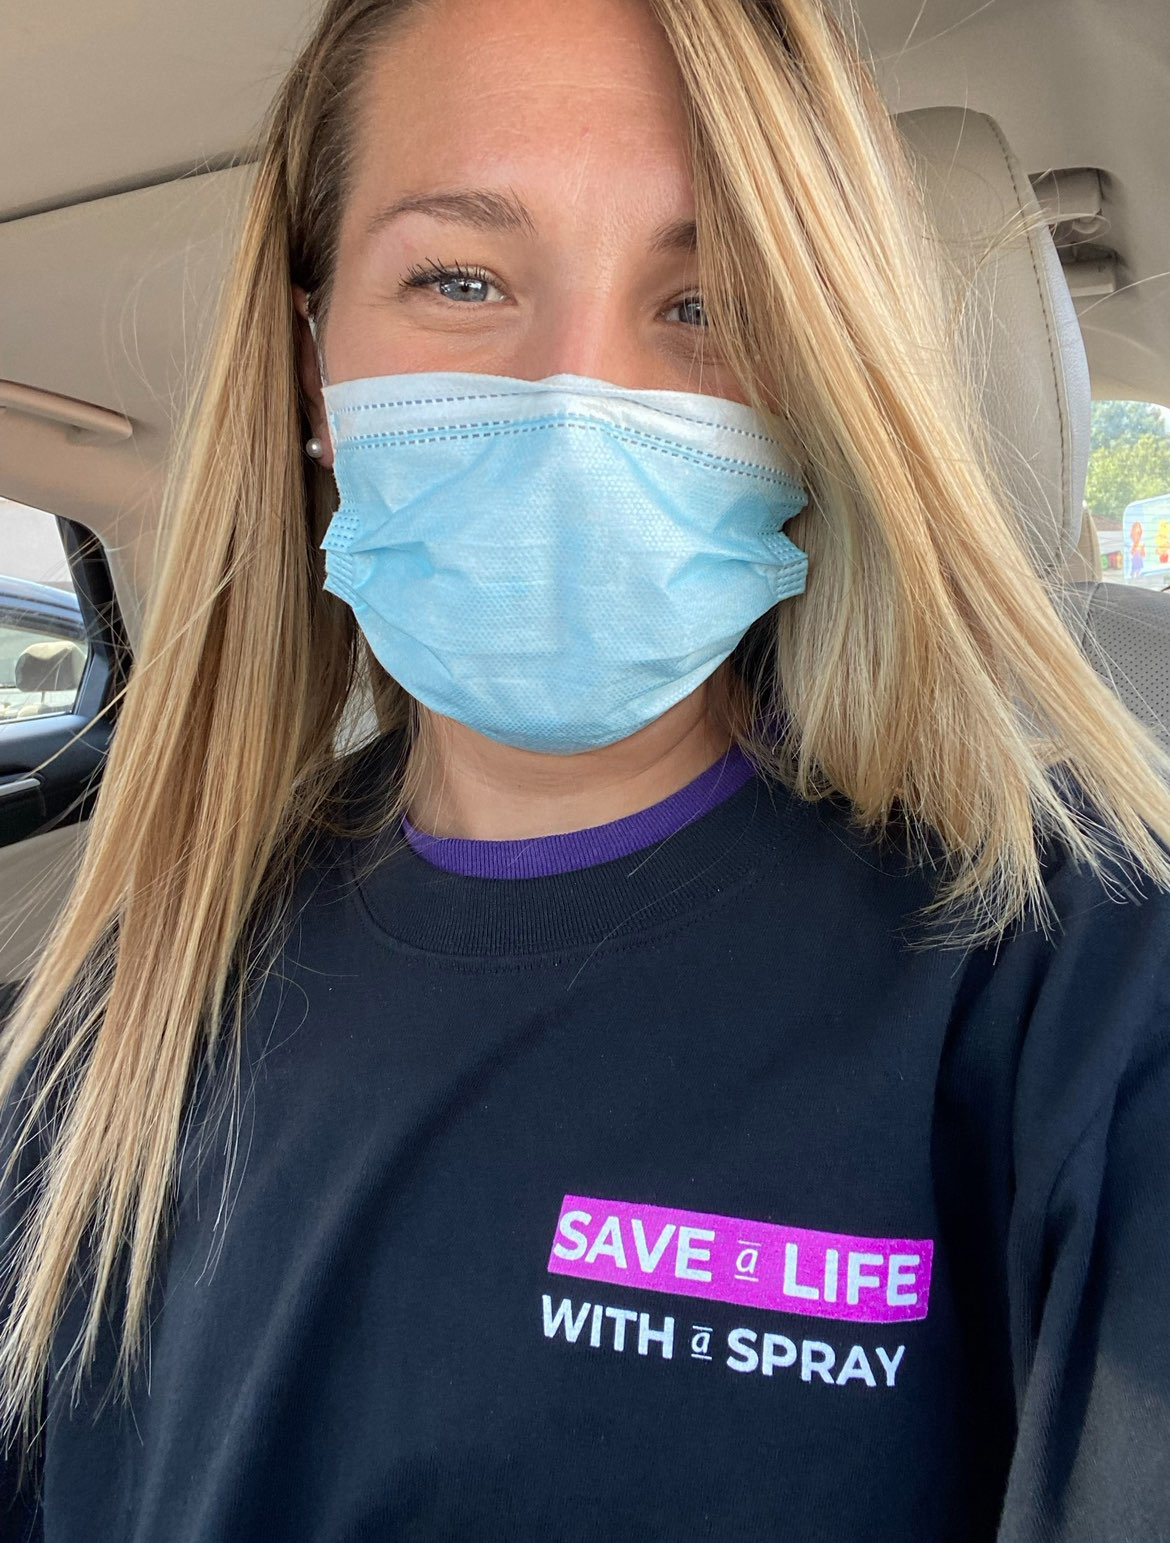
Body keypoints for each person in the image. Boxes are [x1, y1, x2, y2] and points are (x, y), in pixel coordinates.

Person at [2, 0, 1169, 1538]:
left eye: (705, 305)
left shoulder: (1076, 981)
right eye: (461, 278)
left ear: (816, 383)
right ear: (312, 364)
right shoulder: (121, 988)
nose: (573, 394)